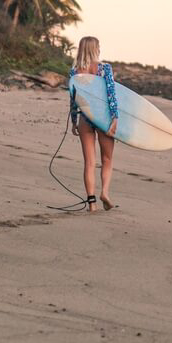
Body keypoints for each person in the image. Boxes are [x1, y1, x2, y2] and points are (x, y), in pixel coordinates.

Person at [69, 36, 118, 212]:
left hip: (85, 119)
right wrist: (115, 118)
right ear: (95, 48)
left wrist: (74, 120)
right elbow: (111, 95)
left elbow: (74, 99)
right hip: (103, 118)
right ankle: (105, 192)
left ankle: (91, 204)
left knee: (89, 162)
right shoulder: (104, 69)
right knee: (107, 159)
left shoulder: (75, 71)